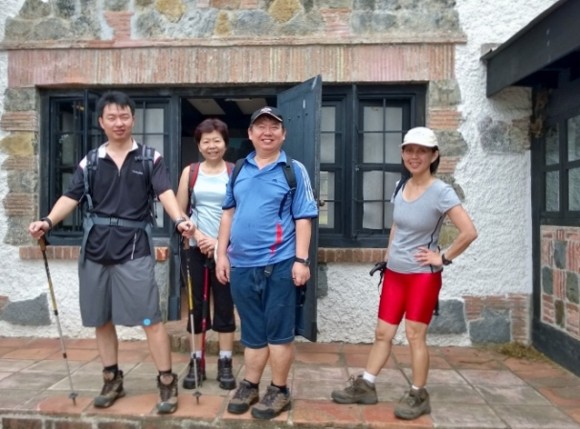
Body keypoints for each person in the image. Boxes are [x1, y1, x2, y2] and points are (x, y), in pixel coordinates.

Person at [28, 91, 195, 415]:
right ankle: (112, 378)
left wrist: (181, 219)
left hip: (134, 250)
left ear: (133, 119)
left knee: (150, 318)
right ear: (101, 122)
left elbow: (165, 193)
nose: (119, 122)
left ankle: (166, 380)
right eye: (112, 117)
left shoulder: (150, 158)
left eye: (124, 116)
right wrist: (47, 221)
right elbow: (71, 196)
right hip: (95, 250)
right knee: (101, 319)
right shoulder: (90, 161)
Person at [330, 126, 478, 420]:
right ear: (402, 153)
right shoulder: (400, 186)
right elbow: (397, 226)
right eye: (409, 150)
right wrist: (388, 255)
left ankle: (418, 393)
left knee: (414, 335)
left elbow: (469, 232)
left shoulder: (441, 192)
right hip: (395, 274)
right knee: (382, 332)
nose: (414, 156)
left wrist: (442, 257)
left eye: (422, 151)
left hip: (422, 277)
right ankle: (367, 386)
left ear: (434, 155)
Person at [215, 106, 318, 420]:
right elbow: (228, 213)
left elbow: (303, 218)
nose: (267, 132)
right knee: (252, 332)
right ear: (250, 134)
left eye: (273, 127)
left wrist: (301, 260)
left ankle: (279, 389)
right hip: (242, 265)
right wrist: (222, 253)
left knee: (278, 332)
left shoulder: (293, 170)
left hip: (279, 263)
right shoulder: (240, 169)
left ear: (283, 134)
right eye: (260, 126)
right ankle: (250, 384)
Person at [175, 118, 237, 391]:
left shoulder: (235, 172)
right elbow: (179, 213)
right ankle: (196, 361)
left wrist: (219, 243)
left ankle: (225, 363)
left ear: (225, 143)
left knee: (225, 306)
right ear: (198, 145)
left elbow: (241, 215)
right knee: (195, 308)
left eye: (217, 140)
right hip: (195, 250)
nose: (212, 146)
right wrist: (198, 236)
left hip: (225, 252)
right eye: (206, 141)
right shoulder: (191, 172)